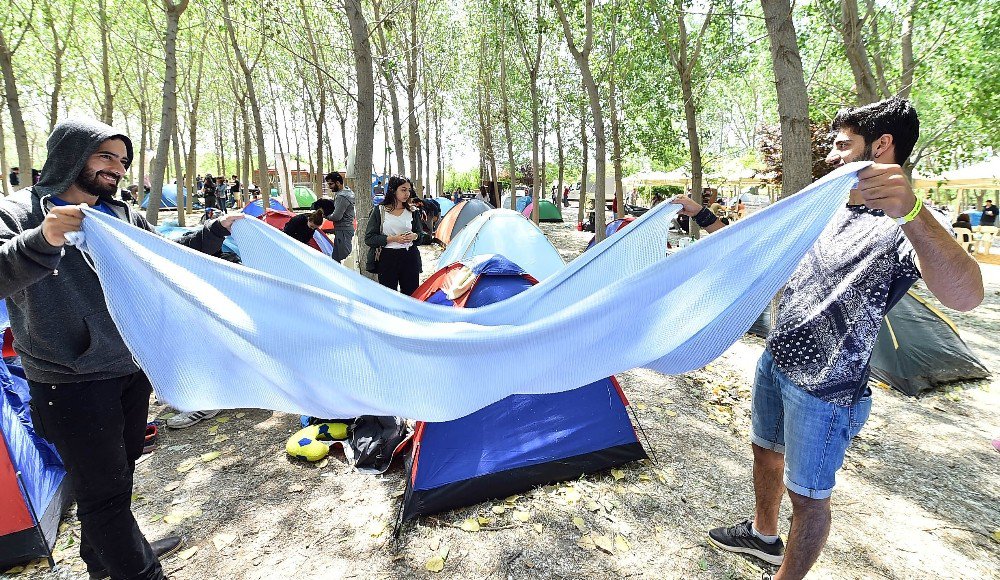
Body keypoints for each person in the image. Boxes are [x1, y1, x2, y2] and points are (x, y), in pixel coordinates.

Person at [672, 97, 983, 580]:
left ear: (881, 146)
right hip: (777, 361)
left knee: (809, 496)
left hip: (828, 390)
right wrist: (702, 215)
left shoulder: (907, 224)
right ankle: (763, 537)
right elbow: (760, 253)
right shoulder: (830, 204)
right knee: (764, 451)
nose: (834, 156)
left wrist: (915, 212)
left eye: (843, 145)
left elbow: (966, 296)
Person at [0, 118, 244, 580]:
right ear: (70, 153)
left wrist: (215, 230)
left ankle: (105, 562)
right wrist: (45, 238)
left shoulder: (122, 213)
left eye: (122, 161)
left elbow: (165, 258)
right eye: (105, 156)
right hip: (69, 380)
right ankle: (140, 569)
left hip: (130, 367)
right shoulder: (20, 213)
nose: (116, 168)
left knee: (119, 478)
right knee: (102, 495)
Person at [364, 176, 426, 295]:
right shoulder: (380, 211)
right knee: (388, 296)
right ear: (393, 190)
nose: (407, 193)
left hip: (409, 257)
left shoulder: (413, 211)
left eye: (409, 190)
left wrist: (415, 236)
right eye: (403, 190)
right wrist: (392, 239)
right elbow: (369, 238)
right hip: (387, 257)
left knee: (411, 295)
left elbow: (421, 236)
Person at [312, 171, 355, 263]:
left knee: (345, 260)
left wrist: (324, 215)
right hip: (343, 230)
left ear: (338, 183)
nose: (329, 186)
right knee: (336, 259)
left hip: (343, 231)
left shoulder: (342, 196)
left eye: (331, 184)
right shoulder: (346, 192)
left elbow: (336, 217)